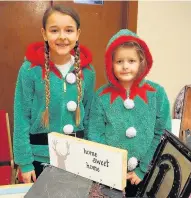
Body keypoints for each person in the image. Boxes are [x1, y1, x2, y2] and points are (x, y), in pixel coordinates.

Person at [13, 5, 95, 183]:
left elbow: (89, 116)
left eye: (69, 30)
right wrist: (25, 163)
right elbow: (21, 118)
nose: (62, 37)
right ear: (44, 33)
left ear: (78, 34)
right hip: (39, 160)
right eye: (54, 30)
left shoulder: (87, 72)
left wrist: (91, 157)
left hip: (77, 158)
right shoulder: (29, 70)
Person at [87, 29, 171, 197]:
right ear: (110, 64)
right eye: (119, 61)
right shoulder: (102, 96)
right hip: (109, 176)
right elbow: (96, 134)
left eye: (131, 60)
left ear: (142, 61)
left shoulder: (157, 93)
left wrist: (143, 168)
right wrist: (111, 170)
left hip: (146, 173)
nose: (125, 66)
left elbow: (162, 134)